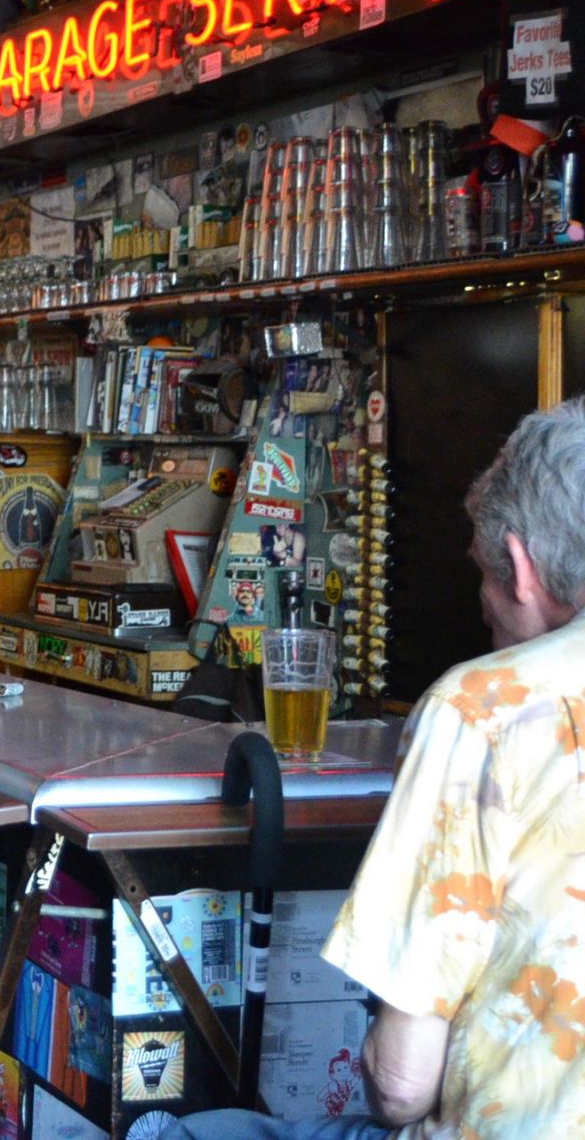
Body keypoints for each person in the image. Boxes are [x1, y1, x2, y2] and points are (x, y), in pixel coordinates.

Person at [160, 396, 585, 1140]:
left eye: (483, 577)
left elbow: (400, 1086)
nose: (483, 607)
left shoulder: (486, 709)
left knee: (198, 1134)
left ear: (518, 567)